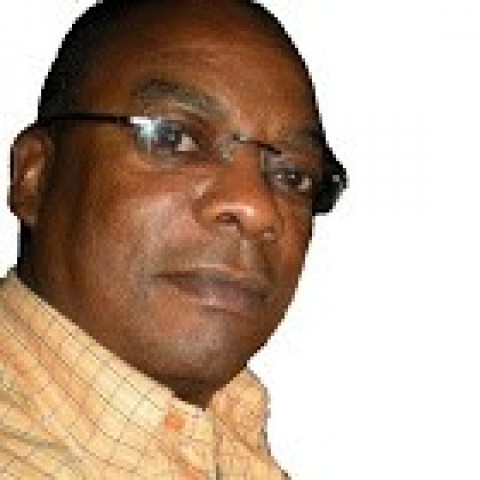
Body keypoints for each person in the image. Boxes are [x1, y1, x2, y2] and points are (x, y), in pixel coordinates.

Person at [0, 0, 347, 478]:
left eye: (293, 176)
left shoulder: (229, 432)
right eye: (174, 139)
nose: (257, 208)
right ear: (35, 176)